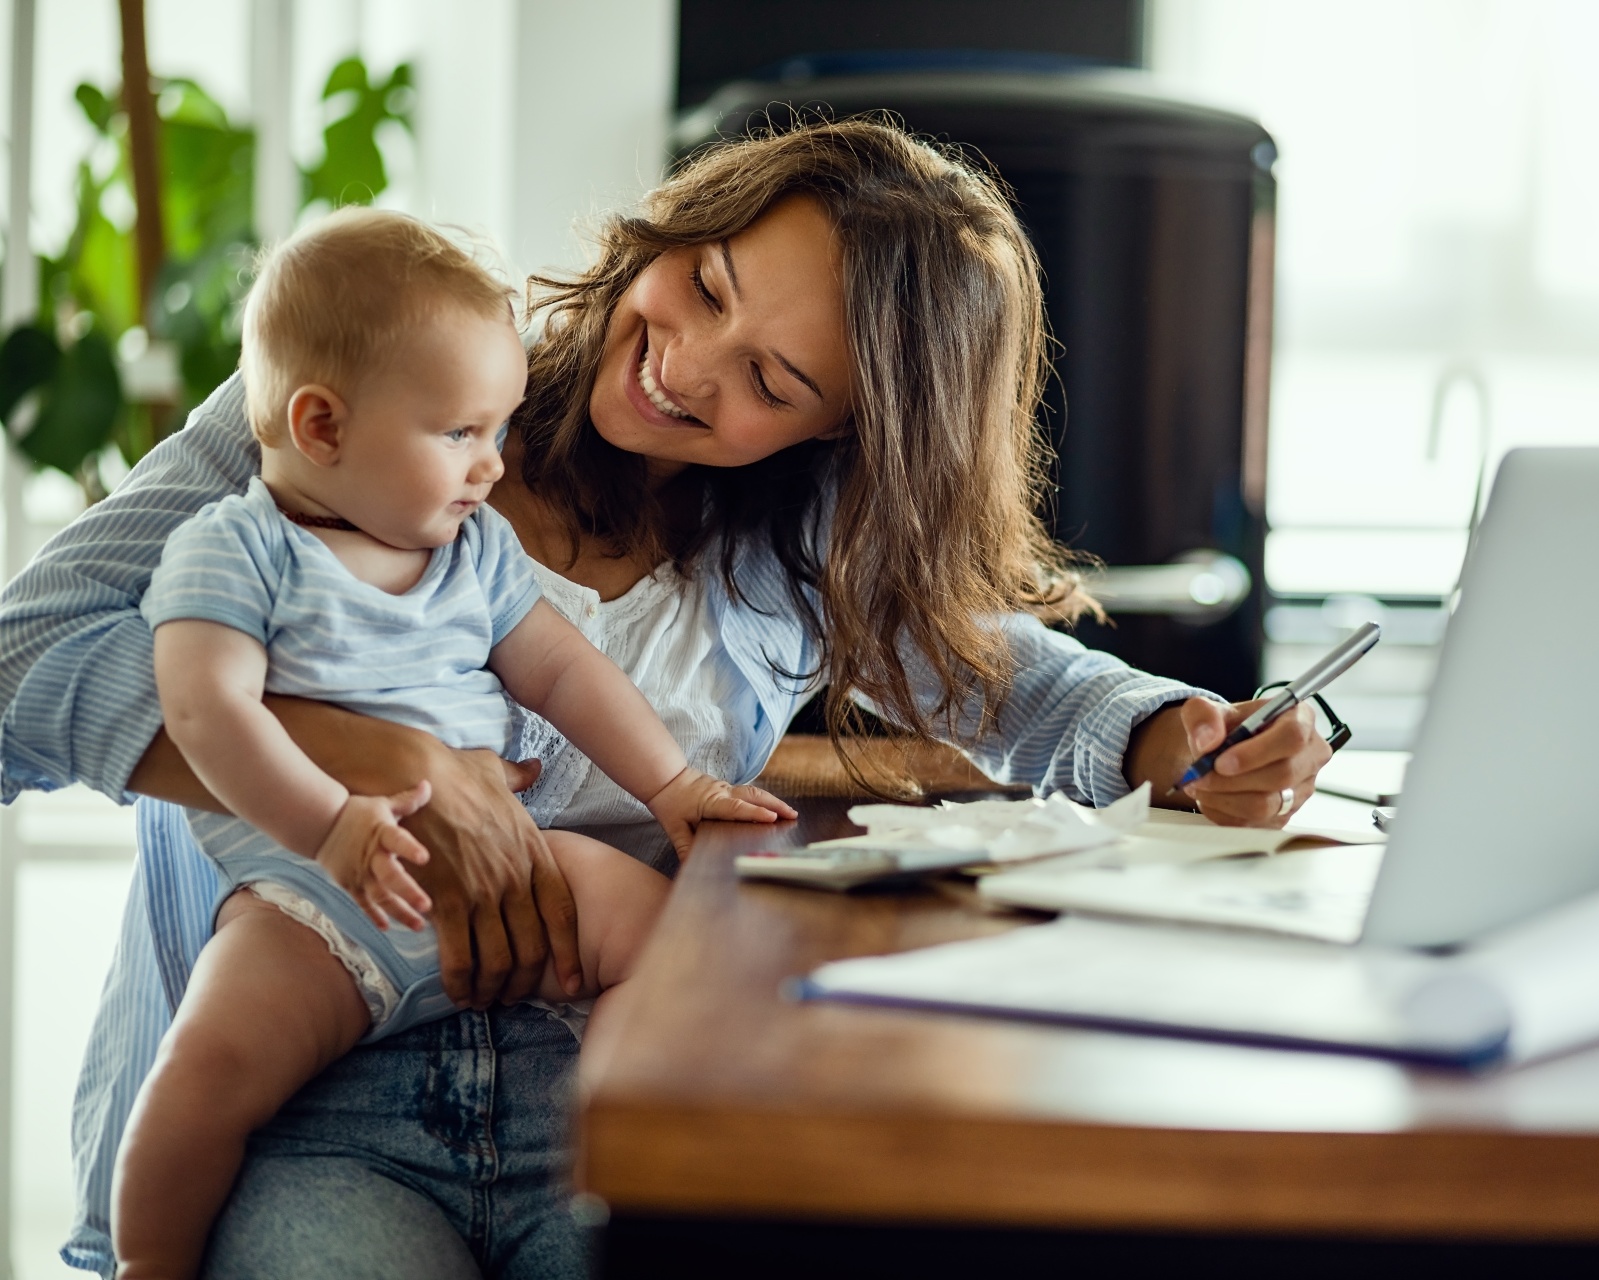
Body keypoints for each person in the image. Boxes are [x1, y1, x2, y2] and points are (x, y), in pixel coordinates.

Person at [0, 119, 1329, 1278]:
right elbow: (20, 667)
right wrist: (366, 753)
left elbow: (1019, 684)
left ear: (840, 434)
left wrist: (1183, 736)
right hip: (304, 1086)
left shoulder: (794, 547)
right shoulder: (372, 380)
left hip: (606, 1088)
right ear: (681, 225)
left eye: (772, 381)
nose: (686, 366)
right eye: (703, 287)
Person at [111, 208, 794, 1279]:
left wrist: (671, 782)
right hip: (316, 900)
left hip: (510, 862)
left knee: (671, 936)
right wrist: (332, 827)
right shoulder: (235, 549)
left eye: (499, 427)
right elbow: (206, 716)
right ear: (323, 426)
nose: (493, 462)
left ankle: (608, 1140)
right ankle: (148, 1258)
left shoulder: (474, 549)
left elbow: (562, 668)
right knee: (208, 1061)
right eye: (459, 433)